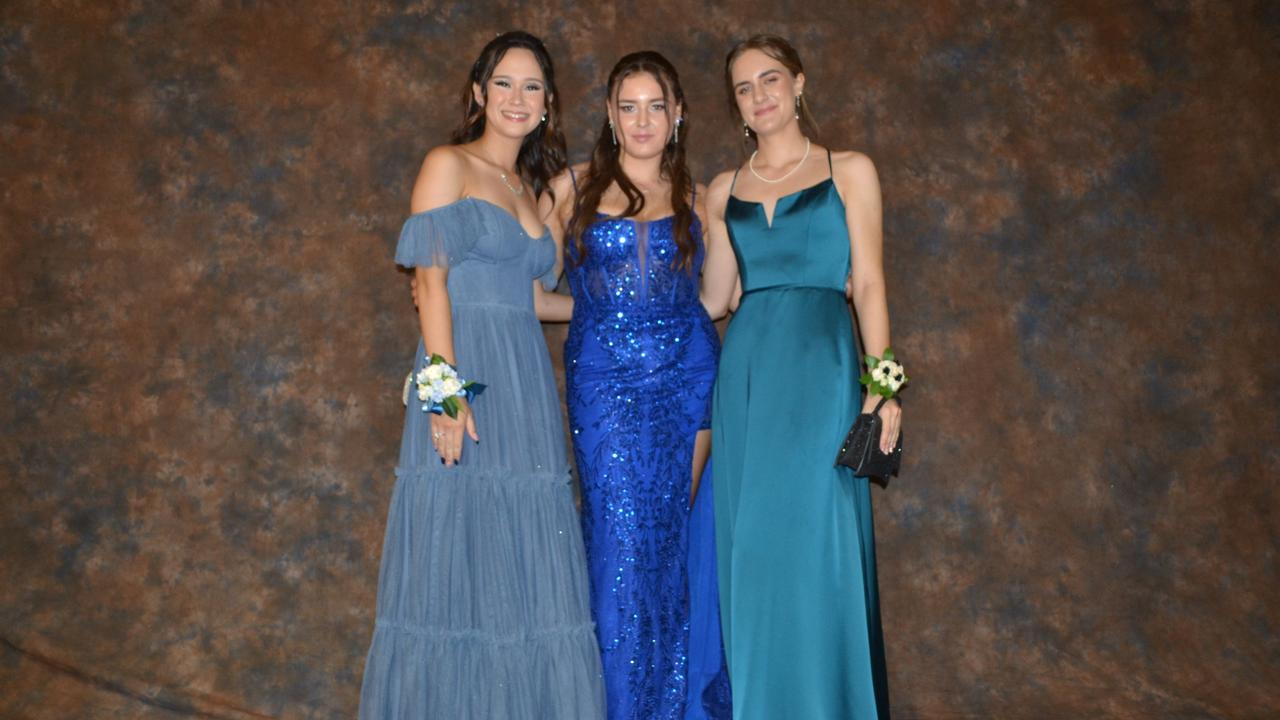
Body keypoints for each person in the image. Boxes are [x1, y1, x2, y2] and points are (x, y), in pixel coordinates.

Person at [358, 31, 604, 719]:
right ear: (478, 93)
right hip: (465, 376)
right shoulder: (449, 164)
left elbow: (531, 300)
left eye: (532, 88)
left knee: (522, 563)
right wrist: (443, 395)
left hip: (524, 384)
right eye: (504, 84)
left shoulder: (526, 187)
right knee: (454, 559)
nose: (516, 99)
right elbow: (429, 286)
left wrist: (617, 306)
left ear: (548, 104)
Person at [700, 34, 901, 720]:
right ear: (735, 105)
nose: (759, 95)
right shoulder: (723, 190)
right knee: (753, 549)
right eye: (744, 88)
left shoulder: (850, 170)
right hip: (748, 376)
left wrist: (886, 388)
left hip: (822, 371)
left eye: (770, 79)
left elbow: (869, 283)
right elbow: (715, 298)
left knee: (819, 543)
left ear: (799, 83)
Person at [546, 51, 732, 720]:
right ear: (610, 114)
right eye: (630, 105)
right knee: (620, 549)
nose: (643, 119)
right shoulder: (574, 186)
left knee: (677, 548)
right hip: (605, 388)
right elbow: (531, 291)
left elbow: (714, 301)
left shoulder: (699, 194)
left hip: (686, 383)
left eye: (657, 105)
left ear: (678, 114)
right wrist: (600, 313)